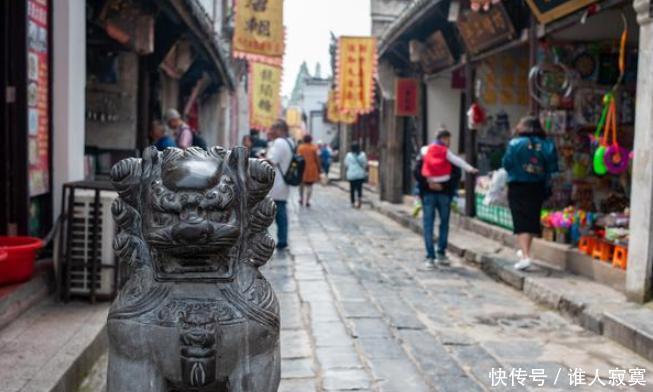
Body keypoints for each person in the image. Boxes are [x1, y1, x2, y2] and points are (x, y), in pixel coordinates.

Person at [502, 115, 559, 270]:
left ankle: (526, 256)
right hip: (538, 186)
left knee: (521, 222)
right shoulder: (548, 145)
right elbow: (553, 168)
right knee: (532, 219)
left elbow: (506, 163)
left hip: (518, 186)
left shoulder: (514, 144)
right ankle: (525, 250)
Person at [416, 130, 477, 269]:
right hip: (444, 194)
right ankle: (441, 253)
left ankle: (430, 257)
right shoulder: (447, 154)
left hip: (428, 193)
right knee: (444, 223)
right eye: (448, 139)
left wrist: (428, 183)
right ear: (444, 139)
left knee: (428, 225)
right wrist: (443, 185)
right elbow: (457, 172)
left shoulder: (425, 151)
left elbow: (417, 171)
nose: (449, 142)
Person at [266, 119, 295, 250]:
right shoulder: (290, 142)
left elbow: (271, 161)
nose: (269, 131)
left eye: (272, 128)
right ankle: (282, 239)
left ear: (279, 130)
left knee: (268, 212)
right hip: (283, 182)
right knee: (281, 211)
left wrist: (259, 159)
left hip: (276, 182)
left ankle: (266, 240)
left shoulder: (279, 142)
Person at [297, 134, 321, 207]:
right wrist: (319, 168)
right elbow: (317, 159)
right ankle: (307, 201)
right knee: (310, 186)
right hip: (311, 169)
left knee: (301, 185)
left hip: (302, 168)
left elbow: (297, 158)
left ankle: (301, 199)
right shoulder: (314, 148)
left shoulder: (300, 148)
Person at [344, 142, 367, 209]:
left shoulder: (348, 155)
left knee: (352, 189)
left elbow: (346, 164)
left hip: (352, 175)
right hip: (360, 175)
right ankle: (359, 200)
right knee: (359, 188)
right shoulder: (362, 154)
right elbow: (365, 164)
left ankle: (353, 203)